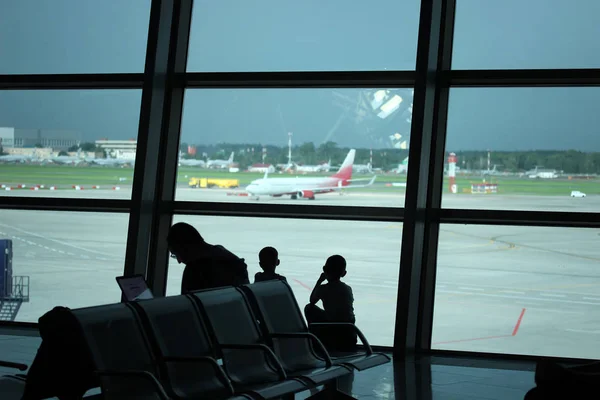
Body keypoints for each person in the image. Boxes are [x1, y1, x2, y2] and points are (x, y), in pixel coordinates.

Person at [167, 222, 249, 294]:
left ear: (184, 248)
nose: (179, 261)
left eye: (176, 254)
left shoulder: (195, 270)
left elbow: (187, 306)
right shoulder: (231, 260)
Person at [304, 255, 357, 351]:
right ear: (344, 273)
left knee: (309, 308)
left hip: (333, 327)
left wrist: (319, 281)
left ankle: (315, 340)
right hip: (349, 330)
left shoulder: (323, 289)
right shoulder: (347, 289)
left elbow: (312, 300)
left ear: (324, 270)